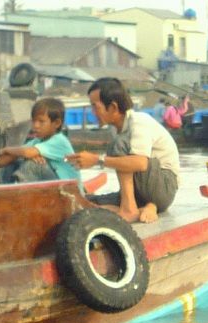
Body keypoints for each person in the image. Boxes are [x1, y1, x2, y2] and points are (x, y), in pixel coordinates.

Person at [66, 77, 180, 223]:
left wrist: (96, 160)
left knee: (118, 144)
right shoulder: (118, 129)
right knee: (87, 201)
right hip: (143, 192)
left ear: (113, 107)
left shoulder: (139, 122)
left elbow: (140, 164)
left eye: (95, 107)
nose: (93, 112)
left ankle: (129, 209)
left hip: (163, 188)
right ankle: (147, 207)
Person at [0, 97, 80, 184]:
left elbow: (27, 152)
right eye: (34, 121)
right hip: (53, 186)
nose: (35, 126)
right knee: (14, 161)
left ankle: (21, 194)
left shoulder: (59, 140)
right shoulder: (36, 142)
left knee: (34, 165)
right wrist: (22, 155)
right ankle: (2, 193)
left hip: (68, 190)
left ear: (56, 123)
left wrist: (6, 149)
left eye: (41, 121)